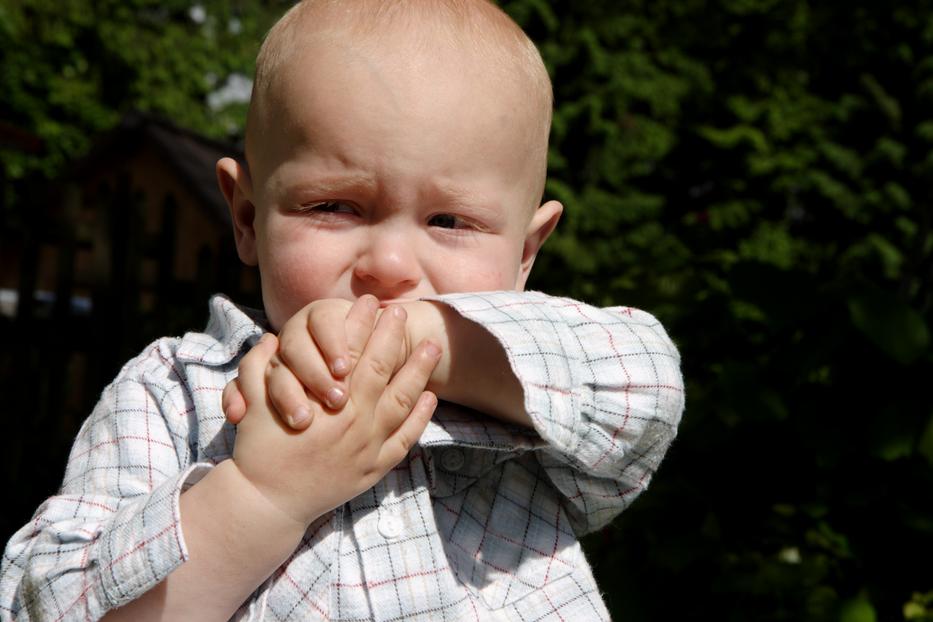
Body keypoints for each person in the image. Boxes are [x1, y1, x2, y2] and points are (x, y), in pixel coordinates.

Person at [0, 0, 685, 620]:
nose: (388, 264)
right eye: (332, 207)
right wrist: (261, 496)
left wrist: (431, 341)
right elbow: (49, 606)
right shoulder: (174, 394)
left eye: (448, 220)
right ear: (246, 216)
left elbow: (644, 388)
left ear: (525, 252)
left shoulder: (520, 390)